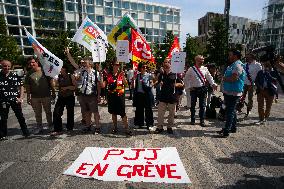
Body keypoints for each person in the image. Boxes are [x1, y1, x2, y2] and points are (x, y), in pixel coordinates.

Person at [217, 50, 246, 137]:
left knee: (229, 111)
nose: (229, 56)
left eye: (230, 55)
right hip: (230, 92)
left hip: (233, 93)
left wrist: (223, 78)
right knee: (232, 110)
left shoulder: (237, 65)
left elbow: (234, 78)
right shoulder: (233, 65)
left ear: (235, 56)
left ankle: (226, 130)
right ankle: (233, 127)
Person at [25, 57, 56, 134]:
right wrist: (28, 97)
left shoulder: (45, 71)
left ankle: (50, 125)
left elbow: (51, 82)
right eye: (29, 63)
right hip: (35, 97)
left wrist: (53, 92)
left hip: (46, 95)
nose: (31, 64)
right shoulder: (28, 74)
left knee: (48, 112)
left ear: (37, 62)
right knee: (37, 113)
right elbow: (28, 86)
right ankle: (39, 127)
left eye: (33, 62)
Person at [0, 60, 30, 140]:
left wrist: (21, 97)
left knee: (20, 116)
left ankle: (25, 132)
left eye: (8, 66)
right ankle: (2, 134)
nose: (6, 67)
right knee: (3, 118)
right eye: (4, 66)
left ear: (11, 66)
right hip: (3, 100)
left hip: (15, 99)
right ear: (1, 66)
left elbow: (21, 86)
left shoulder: (15, 75)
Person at [185, 55, 217, 127]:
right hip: (194, 89)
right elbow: (186, 78)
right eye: (200, 60)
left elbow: (209, 77)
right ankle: (192, 119)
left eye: (203, 60)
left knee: (202, 106)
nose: (202, 61)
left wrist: (213, 84)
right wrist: (189, 86)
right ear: (196, 60)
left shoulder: (205, 68)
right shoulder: (191, 69)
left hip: (202, 89)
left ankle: (201, 120)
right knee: (192, 105)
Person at [155, 62, 183, 134]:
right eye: (164, 65)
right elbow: (158, 81)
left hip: (172, 96)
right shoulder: (162, 74)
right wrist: (157, 83)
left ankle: (169, 127)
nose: (166, 65)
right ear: (163, 67)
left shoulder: (175, 74)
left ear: (170, 65)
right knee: (160, 112)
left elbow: (182, 84)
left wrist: (176, 84)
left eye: (167, 64)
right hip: (163, 96)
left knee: (172, 113)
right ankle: (159, 127)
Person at [106, 59, 132, 136]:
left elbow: (126, 85)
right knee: (113, 113)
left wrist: (123, 77)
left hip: (120, 96)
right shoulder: (109, 74)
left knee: (122, 113)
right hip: (111, 96)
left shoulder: (121, 74)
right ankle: (115, 127)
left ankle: (127, 128)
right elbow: (105, 85)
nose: (117, 66)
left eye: (118, 65)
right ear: (112, 65)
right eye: (116, 65)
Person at [50, 66, 76, 136]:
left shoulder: (71, 76)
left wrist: (66, 88)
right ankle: (58, 129)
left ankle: (70, 128)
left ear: (64, 69)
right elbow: (55, 85)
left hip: (69, 96)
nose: (59, 70)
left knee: (70, 113)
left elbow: (74, 86)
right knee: (56, 112)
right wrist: (53, 80)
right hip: (61, 97)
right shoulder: (58, 76)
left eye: (61, 68)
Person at [78, 58, 101, 133]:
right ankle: (88, 126)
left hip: (92, 95)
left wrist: (99, 96)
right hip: (84, 95)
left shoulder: (95, 73)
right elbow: (74, 65)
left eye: (85, 63)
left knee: (95, 112)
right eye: (84, 63)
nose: (84, 64)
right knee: (87, 112)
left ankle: (97, 127)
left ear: (90, 64)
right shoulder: (83, 72)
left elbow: (98, 85)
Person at [254, 57, 278, 125]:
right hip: (261, 91)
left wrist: (269, 75)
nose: (265, 67)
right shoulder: (260, 72)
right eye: (264, 66)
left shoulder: (273, 72)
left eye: (267, 66)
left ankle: (265, 118)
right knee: (260, 106)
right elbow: (256, 81)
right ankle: (261, 119)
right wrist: (259, 86)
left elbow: (276, 81)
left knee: (268, 106)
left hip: (270, 91)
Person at [133, 63, 154, 129]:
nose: (145, 68)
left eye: (145, 67)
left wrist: (150, 85)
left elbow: (152, 82)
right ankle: (139, 123)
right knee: (139, 109)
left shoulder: (149, 75)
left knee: (148, 110)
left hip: (147, 94)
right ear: (140, 68)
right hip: (139, 94)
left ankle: (149, 124)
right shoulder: (137, 75)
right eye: (143, 67)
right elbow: (134, 84)